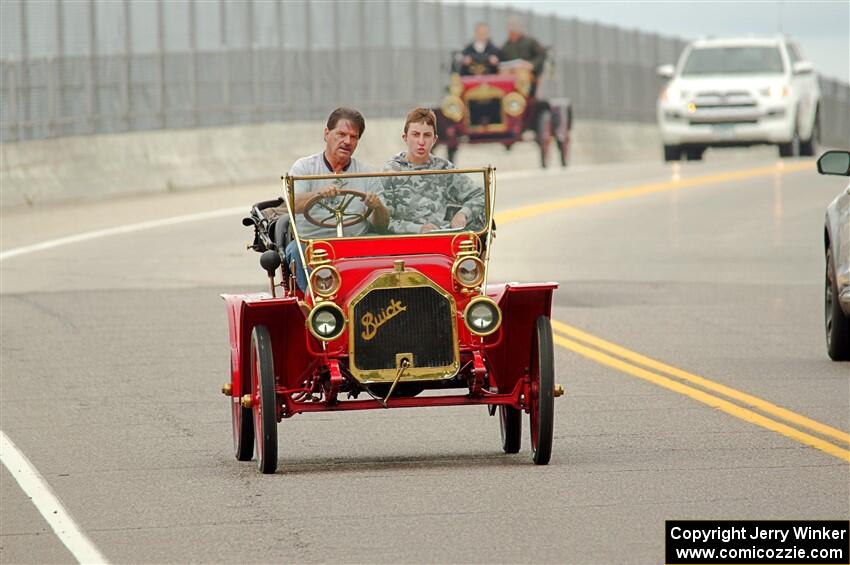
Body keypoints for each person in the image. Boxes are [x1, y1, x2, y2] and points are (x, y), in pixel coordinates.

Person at [284, 107, 389, 291]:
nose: (347, 141)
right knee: (295, 250)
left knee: (382, 246)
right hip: (313, 245)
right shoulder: (304, 168)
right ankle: (316, 304)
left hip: (355, 244)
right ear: (326, 133)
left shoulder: (367, 174)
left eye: (353, 137)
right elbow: (292, 204)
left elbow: (382, 226)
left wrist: (377, 207)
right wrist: (318, 195)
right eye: (341, 134)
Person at [382, 107, 484, 234]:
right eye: (415, 135)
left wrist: (463, 214)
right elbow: (382, 222)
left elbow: (480, 195)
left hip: (439, 240)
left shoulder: (443, 169)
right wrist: (419, 229)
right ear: (405, 138)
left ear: (434, 140)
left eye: (427, 135)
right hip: (404, 243)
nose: (421, 142)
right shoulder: (390, 171)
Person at [500, 16, 547, 95]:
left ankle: (522, 97)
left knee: (521, 75)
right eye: (510, 27)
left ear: (519, 28)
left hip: (527, 74)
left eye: (514, 27)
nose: (512, 30)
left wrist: (532, 64)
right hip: (509, 73)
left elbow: (542, 55)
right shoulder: (505, 46)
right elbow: (501, 62)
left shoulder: (530, 42)